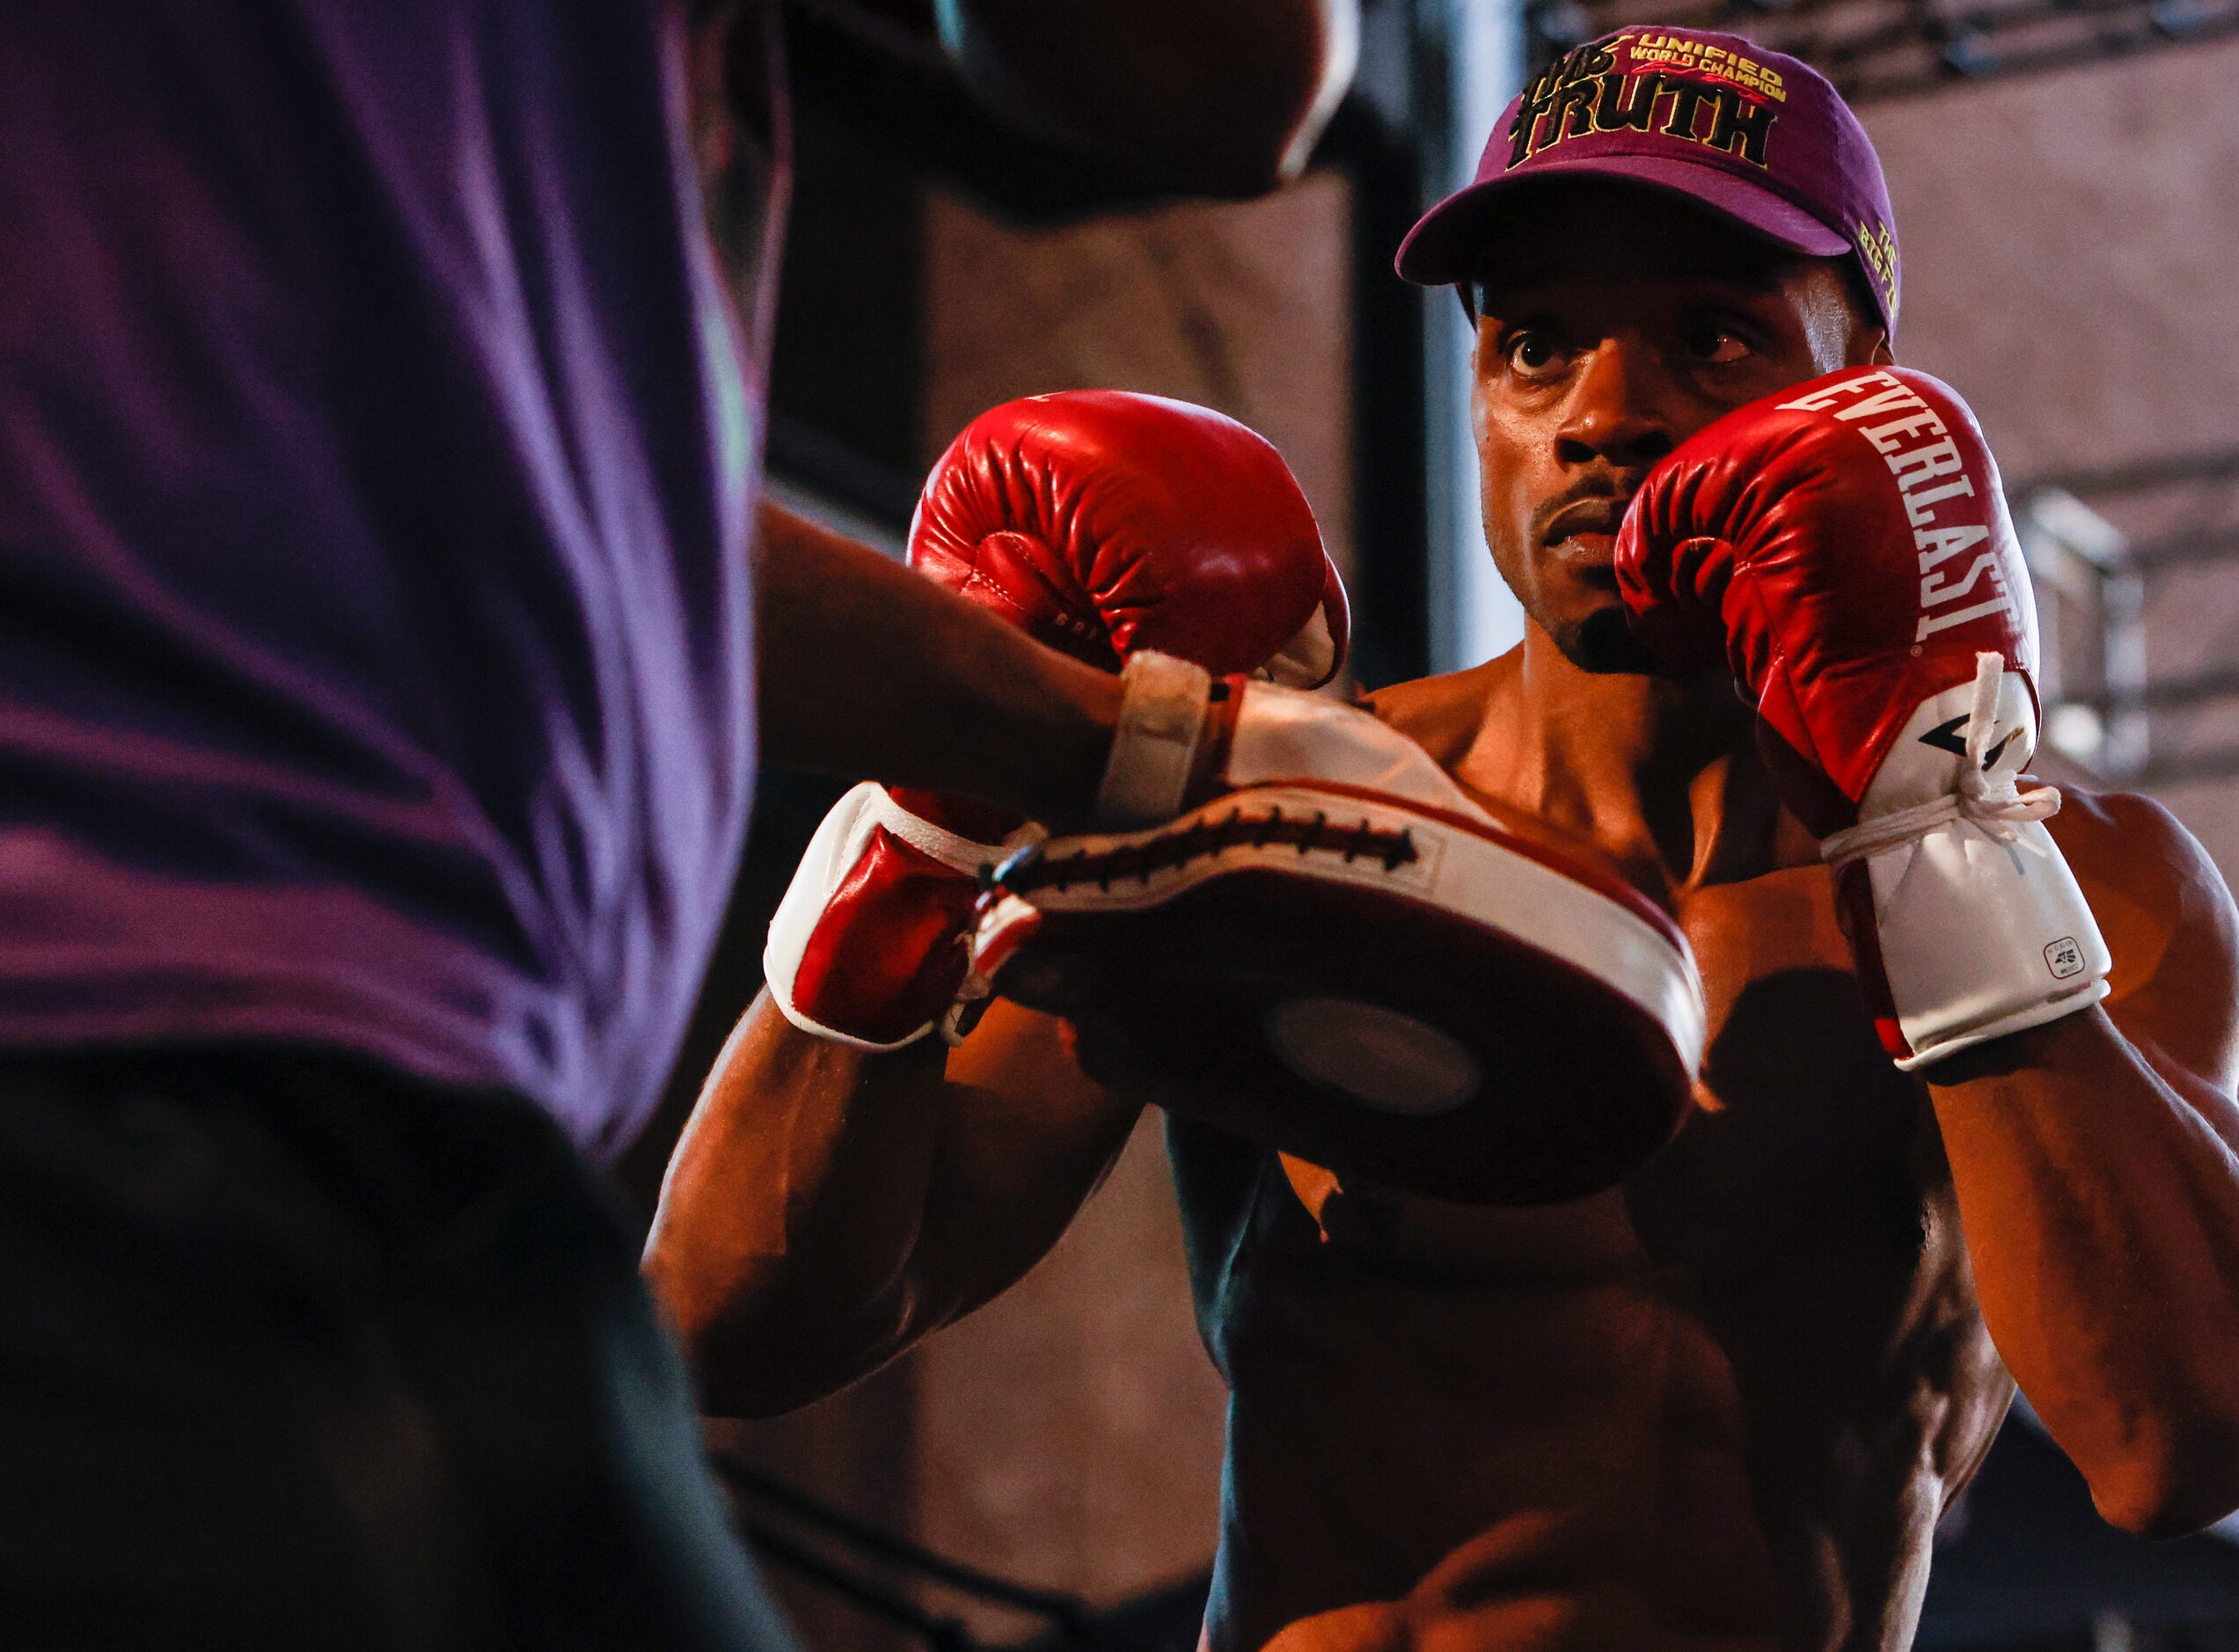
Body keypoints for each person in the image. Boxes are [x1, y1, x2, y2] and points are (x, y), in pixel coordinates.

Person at [644, 26, 2239, 1651]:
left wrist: (1941, 831)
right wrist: (923, 839)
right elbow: (731, 1327)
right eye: (1533, 343)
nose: (1602, 412)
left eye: (1712, 339)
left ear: (1859, 386)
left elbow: (2174, 1442)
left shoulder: (2079, 880)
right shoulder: (1287, 811)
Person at [0, 3, 1357, 1648]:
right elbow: (1223, 70)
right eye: (1530, 333)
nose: (1603, 410)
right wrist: (1010, 801)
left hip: (402, 1124)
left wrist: (1100, 741)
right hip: (150, 1054)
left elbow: (549, 526)